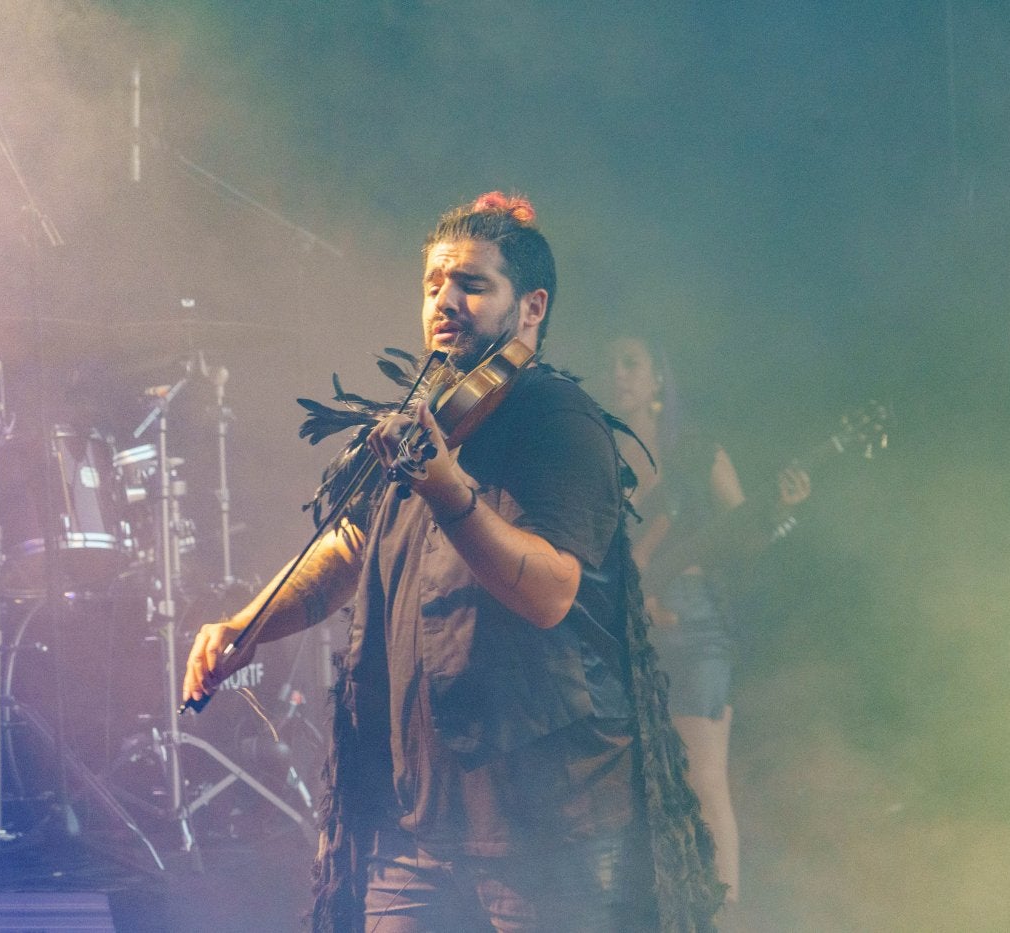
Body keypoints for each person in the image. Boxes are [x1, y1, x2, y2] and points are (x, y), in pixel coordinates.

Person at [183, 194, 721, 932]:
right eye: (434, 284)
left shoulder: (558, 421)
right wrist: (243, 625)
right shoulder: (428, 415)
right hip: (419, 819)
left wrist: (446, 488)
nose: (445, 301)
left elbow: (551, 592)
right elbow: (348, 547)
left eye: (472, 284)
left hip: (545, 823)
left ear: (531, 307)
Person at [595, 335, 810, 907]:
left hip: (693, 624)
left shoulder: (697, 452)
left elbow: (744, 539)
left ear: (659, 377)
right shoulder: (602, 450)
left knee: (703, 775)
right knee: (630, 782)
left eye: (632, 362)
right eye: (613, 362)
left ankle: (723, 912)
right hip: (622, 625)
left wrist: (780, 512)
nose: (619, 373)